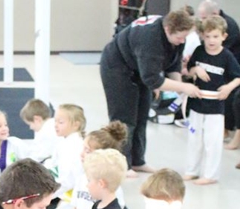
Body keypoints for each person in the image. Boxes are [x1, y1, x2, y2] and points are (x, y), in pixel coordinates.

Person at [100, 9, 202, 178]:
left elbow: (173, 65)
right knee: (124, 119)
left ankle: (138, 160)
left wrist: (179, 87)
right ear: (168, 29)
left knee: (141, 117)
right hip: (117, 68)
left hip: (139, 68)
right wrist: (184, 88)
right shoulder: (150, 39)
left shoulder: (177, 36)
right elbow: (153, 80)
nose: (182, 41)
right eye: (180, 37)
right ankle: (121, 163)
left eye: (185, 37)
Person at [38, 121, 127, 209]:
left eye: (87, 151)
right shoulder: (82, 178)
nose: (81, 154)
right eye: (83, 149)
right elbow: (75, 208)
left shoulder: (112, 187)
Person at [183, 16, 240, 185]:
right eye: (207, 36)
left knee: (212, 142)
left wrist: (228, 88)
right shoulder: (199, 51)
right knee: (194, 139)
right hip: (197, 102)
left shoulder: (227, 56)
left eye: (215, 36)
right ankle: (191, 170)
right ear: (202, 36)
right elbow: (188, 69)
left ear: (224, 36)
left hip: (215, 106)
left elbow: (238, 77)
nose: (211, 40)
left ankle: (210, 174)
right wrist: (195, 69)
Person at [197, 0, 240, 144]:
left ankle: (225, 129)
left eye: (204, 18)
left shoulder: (229, 27)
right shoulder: (209, 28)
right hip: (217, 67)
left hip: (230, 67)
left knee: (228, 94)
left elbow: (217, 53)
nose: (202, 21)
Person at [19, 99, 59, 163]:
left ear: (37, 119)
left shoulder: (44, 132)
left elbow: (36, 157)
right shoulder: (55, 124)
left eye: (30, 124)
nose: (30, 128)